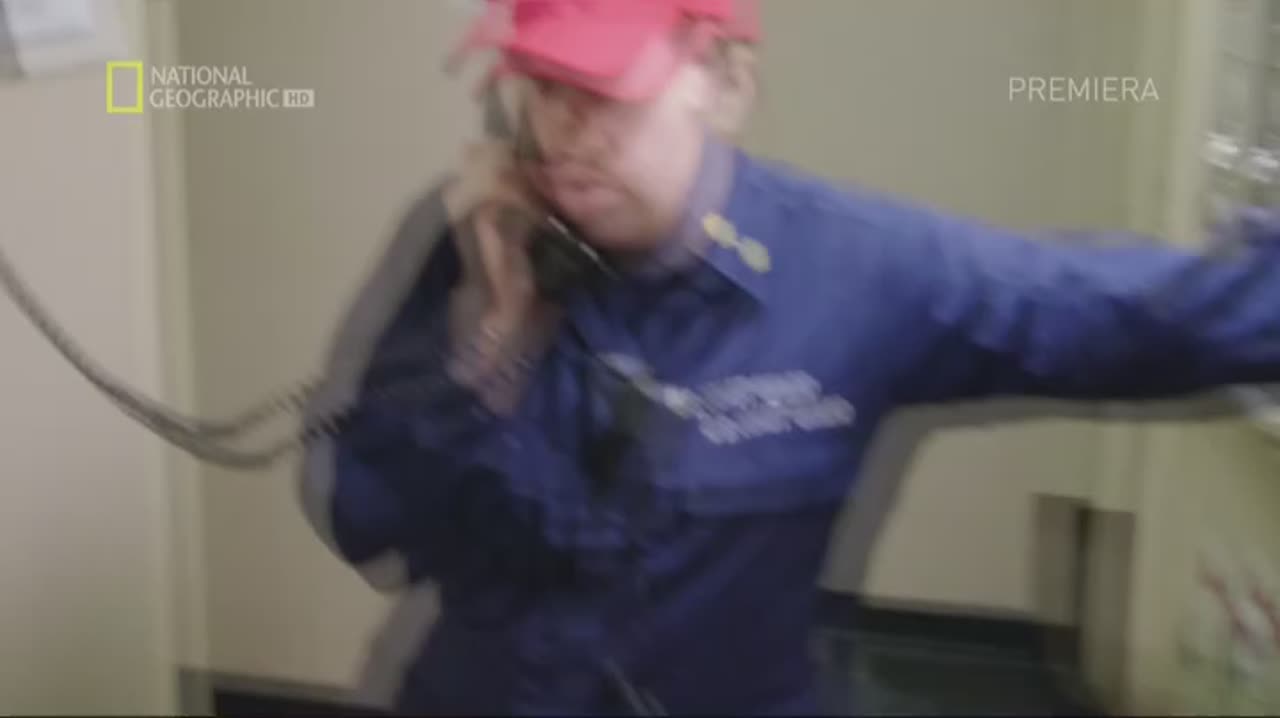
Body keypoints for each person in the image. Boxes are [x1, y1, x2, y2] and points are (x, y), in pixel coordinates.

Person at [299, 0, 1280, 714]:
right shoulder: (478, 247)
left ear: (723, 84)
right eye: (542, 89)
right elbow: (364, 515)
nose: (561, 132)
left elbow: (1114, 311)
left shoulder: (852, 266)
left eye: (600, 89)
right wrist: (498, 339)